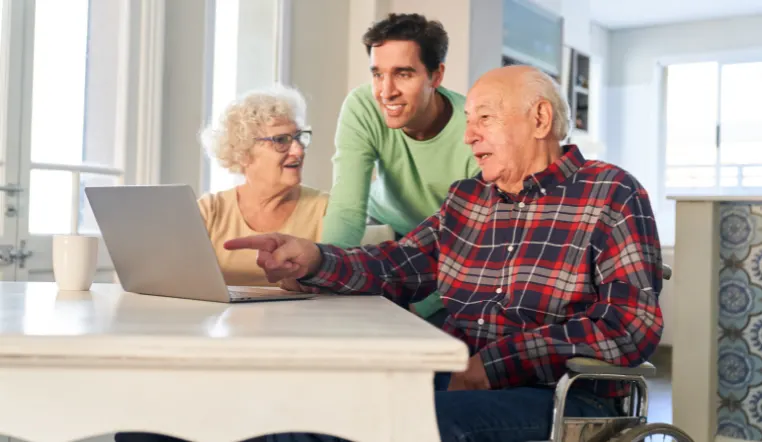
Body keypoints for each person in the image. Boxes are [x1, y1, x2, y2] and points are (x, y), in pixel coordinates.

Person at [225, 65, 665, 442]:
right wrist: (316, 259)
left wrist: (491, 367)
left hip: (560, 396)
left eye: (485, 119)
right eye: (469, 120)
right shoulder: (468, 198)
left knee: (381, 427)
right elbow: (396, 265)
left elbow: (630, 326)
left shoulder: (611, 192)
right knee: (298, 410)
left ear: (540, 119)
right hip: (455, 373)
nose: (468, 136)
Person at [321, 13, 480, 323]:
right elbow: (346, 210)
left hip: (450, 248)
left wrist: (420, 310)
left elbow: (474, 248)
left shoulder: (474, 131)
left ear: (436, 76)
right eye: (377, 74)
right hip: (386, 230)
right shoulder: (363, 106)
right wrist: (324, 277)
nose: (386, 91)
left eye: (403, 74)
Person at [196, 84, 329, 287]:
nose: (298, 151)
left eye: (299, 138)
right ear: (244, 152)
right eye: (281, 140)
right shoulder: (210, 210)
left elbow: (336, 289)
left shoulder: (325, 209)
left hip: (299, 319)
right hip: (220, 319)